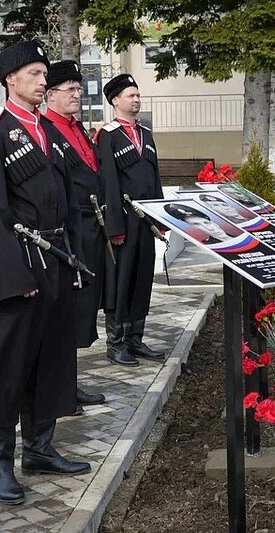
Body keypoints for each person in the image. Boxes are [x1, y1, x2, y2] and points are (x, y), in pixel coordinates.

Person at [0, 39, 90, 506]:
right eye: (33, 73)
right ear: (10, 79)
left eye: (43, 73)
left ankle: (41, 449)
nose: (42, 80)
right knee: (9, 369)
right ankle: (1, 463)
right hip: (18, 266)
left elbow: (64, 200)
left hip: (55, 260)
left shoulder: (46, 129)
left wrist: (72, 255)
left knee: (50, 361)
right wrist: (10, 277)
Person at [42, 59, 111, 408]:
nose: (77, 94)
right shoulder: (48, 129)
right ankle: (61, 389)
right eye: (69, 89)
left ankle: (69, 383)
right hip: (71, 229)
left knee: (82, 309)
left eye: (78, 89)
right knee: (68, 311)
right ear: (50, 94)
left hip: (90, 227)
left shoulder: (76, 127)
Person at [95, 73, 166, 366]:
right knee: (120, 282)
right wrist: (114, 226)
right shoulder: (108, 136)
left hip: (145, 221)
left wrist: (161, 218)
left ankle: (136, 338)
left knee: (142, 279)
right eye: (130, 96)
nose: (136, 100)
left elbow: (155, 178)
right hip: (123, 221)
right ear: (115, 100)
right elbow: (108, 183)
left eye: (137, 95)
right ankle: (116, 342)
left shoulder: (146, 135)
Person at [164, 202, 243, 244]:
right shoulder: (211, 245)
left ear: (214, 223)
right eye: (197, 224)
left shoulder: (241, 236)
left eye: (206, 223)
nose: (209, 228)